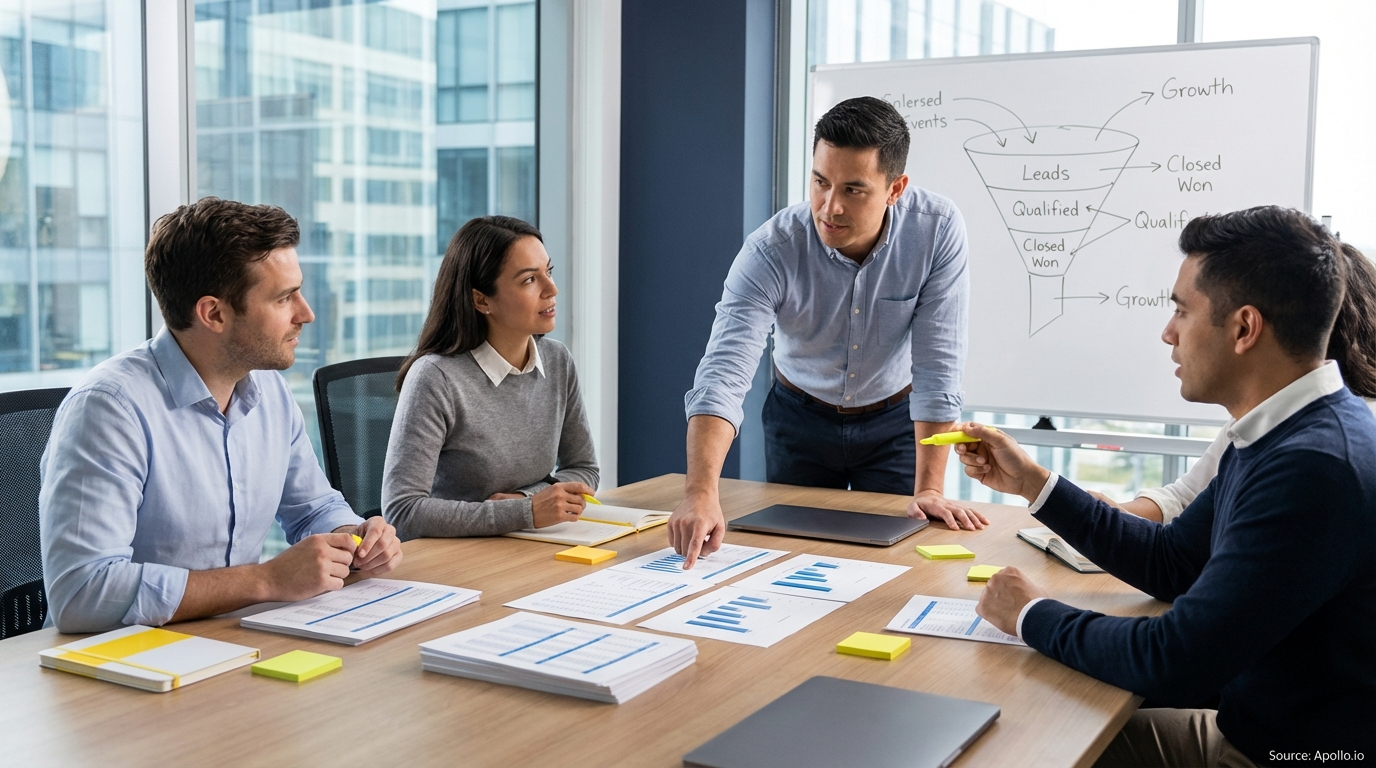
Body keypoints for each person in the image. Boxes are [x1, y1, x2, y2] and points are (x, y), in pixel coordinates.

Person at [956, 206, 1375, 767]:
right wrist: (1033, 483)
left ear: (1244, 328)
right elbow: (1172, 559)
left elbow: (1173, 661)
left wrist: (1032, 615)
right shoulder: (1285, 429)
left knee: (1025, 749)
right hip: (1260, 730)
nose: (1168, 332)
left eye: (1182, 310)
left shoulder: (1312, 467)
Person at [41, 198, 402, 634]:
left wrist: (356, 537)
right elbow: (82, 595)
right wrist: (265, 580)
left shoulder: (268, 389)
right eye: (284, 298)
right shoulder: (109, 409)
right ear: (213, 313)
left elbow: (312, 509)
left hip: (228, 640)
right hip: (123, 666)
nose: (305, 314)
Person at [669, 96, 984, 568]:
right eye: (820, 182)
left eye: (853, 190)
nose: (829, 207)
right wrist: (699, 492)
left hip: (895, 421)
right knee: (796, 560)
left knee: (902, 559)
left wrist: (931, 489)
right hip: (800, 418)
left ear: (895, 188)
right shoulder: (772, 250)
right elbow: (724, 373)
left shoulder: (936, 230)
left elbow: (939, 364)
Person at [1101, 241, 1376, 523]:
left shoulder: (1327, 447)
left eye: (1183, 312)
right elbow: (1185, 504)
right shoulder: (1261, 417)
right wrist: (1092, 514)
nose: (1168, 334)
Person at [382, 216, 598, 539]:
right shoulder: (435, 378)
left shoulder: (557, 361)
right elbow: (403, 511)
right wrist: (524, 512)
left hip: (525, 548)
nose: (551, 289)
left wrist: (527, 502)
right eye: (529, 280)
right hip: (454, 562)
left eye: (548, 272)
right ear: (482, 300)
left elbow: (584, 469)